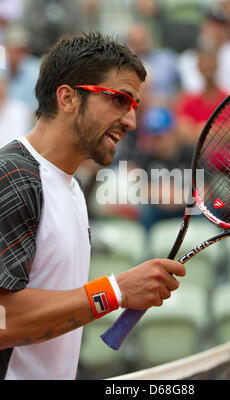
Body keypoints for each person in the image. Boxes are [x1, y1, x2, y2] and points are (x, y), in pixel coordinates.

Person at [0, 31, 186, 380]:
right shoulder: (11, 176)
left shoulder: (72, 187)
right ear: (68, 97)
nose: (131, 121)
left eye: (134, 106)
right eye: (119, 99)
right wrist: (115, 291)